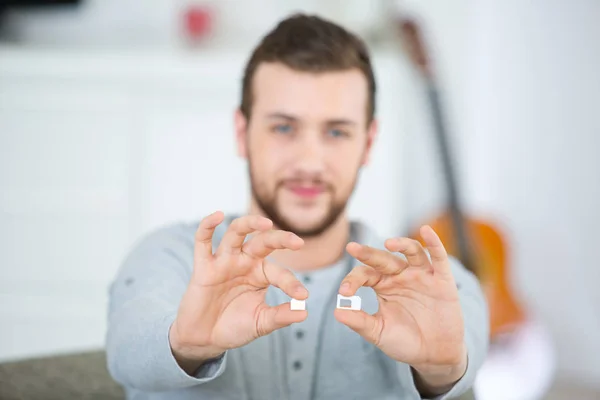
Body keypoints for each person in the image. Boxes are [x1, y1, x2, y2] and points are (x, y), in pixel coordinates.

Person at [106, 13, 489, 400]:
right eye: (284, 128)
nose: (309, 161)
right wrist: (184, 344)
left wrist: (440, 371)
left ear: (368, 144)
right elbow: (125, 353)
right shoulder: (168, 257)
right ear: (243, 134)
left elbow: (461, 356)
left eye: (336, 131)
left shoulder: (435, 284)